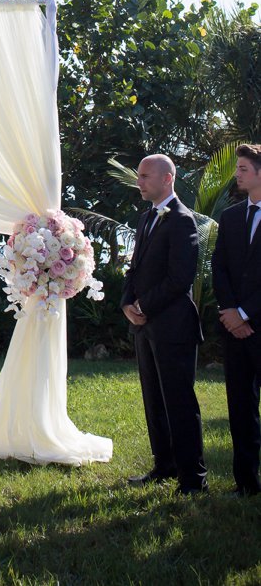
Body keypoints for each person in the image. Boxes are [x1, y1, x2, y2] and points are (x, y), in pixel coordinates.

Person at [121, 153, 206, 495]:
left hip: (173, 326)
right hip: (145, 325)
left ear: (167, 179)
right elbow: (136, 267)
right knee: (153, 399)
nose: (138, 181)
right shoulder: (146, 218)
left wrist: (144, 304)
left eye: (144, 176)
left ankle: (193, 478)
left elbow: (180, 278)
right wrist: (127, 302)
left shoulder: (183, 220)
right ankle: (164, 465)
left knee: (179, 401)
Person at [211, 142, 261, 497]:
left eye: (243, 168)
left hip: (258, 325)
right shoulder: (229, 217)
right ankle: (245, 483)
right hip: (234, 331)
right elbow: (219, 267)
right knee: (241, 408)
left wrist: (246, 313)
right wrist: (230, 313)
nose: (237, 174)